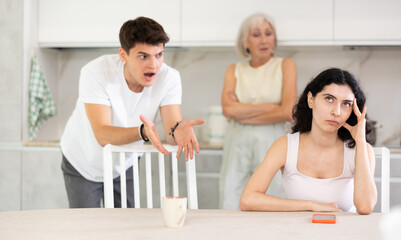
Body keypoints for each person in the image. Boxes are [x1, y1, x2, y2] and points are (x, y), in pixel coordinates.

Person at [60, 16, 204, 208]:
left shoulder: (169, 78)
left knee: (127, 224)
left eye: (159, 55)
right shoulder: (96, 73)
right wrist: (142, 132)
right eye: (143, 56)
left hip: (124, 163)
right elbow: (102, 135)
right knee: (87, 227)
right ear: (123, 55)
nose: (153, 65)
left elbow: (172, 130)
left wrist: (178, 131)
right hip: (83, 161)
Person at [240, 68, 377, 215]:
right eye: (329, 99)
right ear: (311, 100)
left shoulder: (361, 149)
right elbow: (248, 199)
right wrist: (311, 205)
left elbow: (365, 207)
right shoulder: (285, 146)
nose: (336, 112)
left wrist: (361, 141)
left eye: (346, 104)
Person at [219, 13, 297, 210]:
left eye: (268, 33)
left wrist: (243, 112)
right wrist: (270, 107)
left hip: (274, 140)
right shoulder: (233, 70)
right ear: (245, 41)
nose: (264, 40)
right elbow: (228, 109)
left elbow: (288, 111)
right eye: (256, 35)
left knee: (271, 194)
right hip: (236, 140)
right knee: (231, 193)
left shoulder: (286, 66)